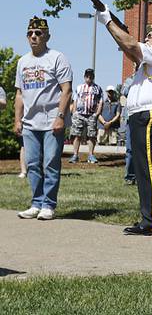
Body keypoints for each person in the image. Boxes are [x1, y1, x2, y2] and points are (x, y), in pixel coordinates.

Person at [97, 5, 152, 235]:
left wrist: (107, 22)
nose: (145, 39)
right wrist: (111, 26)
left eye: (149, 36)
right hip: (149, 114)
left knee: (147, 170)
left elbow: (132, 45)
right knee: (147, 169)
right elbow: (130, 49)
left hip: (150, 114)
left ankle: (151, 219)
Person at [14, 17, 73, 221]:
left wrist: (60, 116)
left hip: (51, 122)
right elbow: (19, 94)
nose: (33, 36)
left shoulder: (57, 58)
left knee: (50, 163)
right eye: (30, 33)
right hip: (30, 123)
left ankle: (48, 204)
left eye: (38, 33)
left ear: (47, 35)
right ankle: (36, 202)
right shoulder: (22, 62)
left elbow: (66, 90)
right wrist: (17, 119)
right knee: (31, 164)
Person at [68, 68, 104, 164]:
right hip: (79, 114)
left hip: (91, 115)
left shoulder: (98, 88)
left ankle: (91, 155)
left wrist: (97, 113)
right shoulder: (79, 87)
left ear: (93, 77)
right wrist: (74, 112)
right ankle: (75, 155)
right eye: (87, 76)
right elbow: (75, 99)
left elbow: (101, 101)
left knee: (91, 136)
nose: (89, 78)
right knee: (77, 135)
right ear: (84, 77)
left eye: (91, 76)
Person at [119, 74, 136, 185]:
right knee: (130, 149)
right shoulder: (130, 80)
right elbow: (124, 91)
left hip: (145, 117)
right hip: (131, 118)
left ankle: (141, 177)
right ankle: (129, 176)